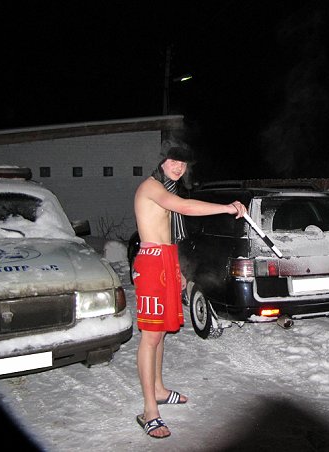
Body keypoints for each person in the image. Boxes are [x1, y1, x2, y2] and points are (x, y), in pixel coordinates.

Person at [132, 143, 246, 439]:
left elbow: (167, 233)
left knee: (161, 333)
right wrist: (227, 207)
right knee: (150, 336)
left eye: (183, 164)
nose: (179, 167)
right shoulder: (151, 187)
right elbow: (184, 207)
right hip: (151, 263)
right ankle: (149, 411)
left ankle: (158, 390)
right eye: (174, 161)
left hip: (165, 260)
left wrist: (177, 270)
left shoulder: (166, 188)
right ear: (162, 162)